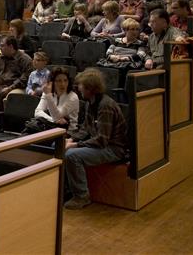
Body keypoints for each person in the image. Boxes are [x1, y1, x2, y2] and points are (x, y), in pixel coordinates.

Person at [64, 69, 128, 210]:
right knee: (61, 147)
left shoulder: (105, 106)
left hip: (113, 149)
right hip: (101, 145)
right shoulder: (90, 102)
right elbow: (85, 128)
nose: (79, 88)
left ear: (90, 88)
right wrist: (70, 139)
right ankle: (67, 189)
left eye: (81, 85)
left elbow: (102, 140)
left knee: (71, 155)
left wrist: (75, 145)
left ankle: (82, 196)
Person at [34, 67, 80, 134]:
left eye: (65, 80)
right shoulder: (48, 93)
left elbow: (58, 117)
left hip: (68, 132)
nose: (63, 84)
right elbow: (37, 112)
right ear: (52, 82)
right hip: (50, 127)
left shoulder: (73, 97)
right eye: (59, 81)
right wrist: (51, 120)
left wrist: (48, 96)